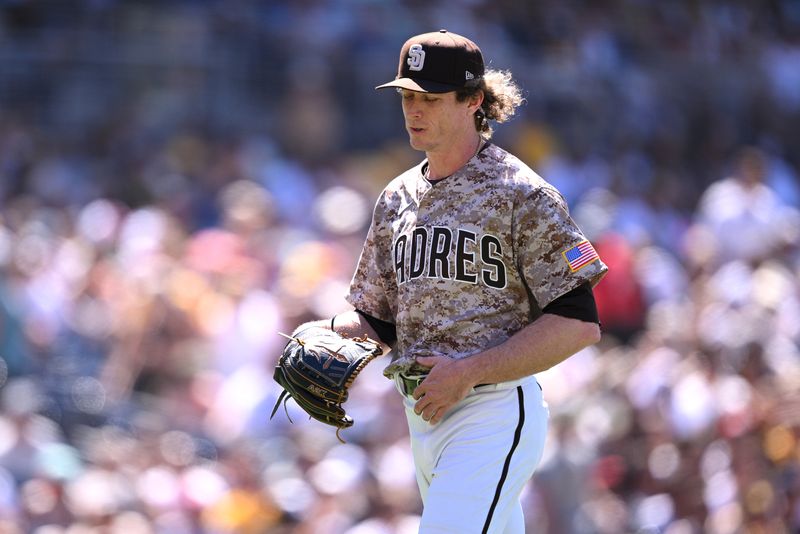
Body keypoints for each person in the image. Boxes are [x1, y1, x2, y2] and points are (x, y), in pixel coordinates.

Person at [299, 30, 608, 533]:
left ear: (474, 101)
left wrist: (469, 372)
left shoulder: (524, 194)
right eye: (407, 97)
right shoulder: (396, 197)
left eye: (430, 98)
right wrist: (331, 331)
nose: (414, 110)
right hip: (423, 417)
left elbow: (579, 324)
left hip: (491, 409)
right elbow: (380, 320)